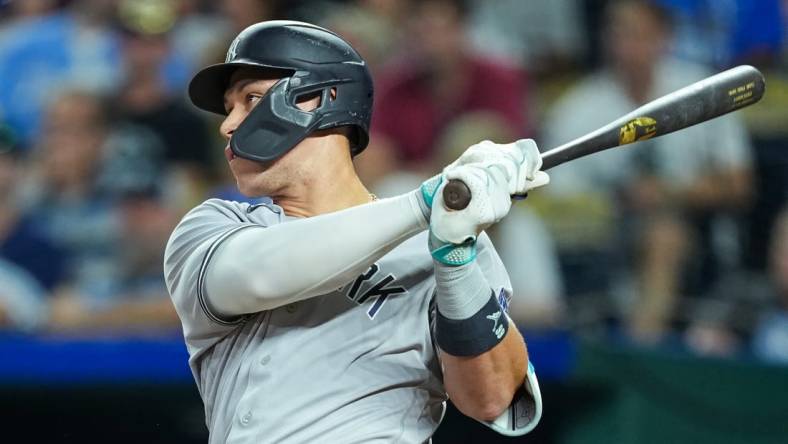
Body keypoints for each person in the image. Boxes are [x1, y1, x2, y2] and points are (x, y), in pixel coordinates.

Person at [164, 21, 548, 442]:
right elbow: (263, 273)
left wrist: (455, 258)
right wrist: (422, 206)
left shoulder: (438, 237)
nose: (228, 125)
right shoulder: (215, 226)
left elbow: (491, 397)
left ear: (322, 99)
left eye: (251, 99)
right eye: (228, 108)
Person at [541, 0, 753, 342]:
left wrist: (667, 193)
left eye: (639, 33)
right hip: (604, 237)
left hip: (697, 233)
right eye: (618, 32)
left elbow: (740, 184)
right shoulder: (578, 108)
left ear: (664, 37)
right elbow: (558, 198)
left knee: (664, 236)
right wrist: (616, 201)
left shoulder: (703, 91)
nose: (627, 44)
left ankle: (642, 348)